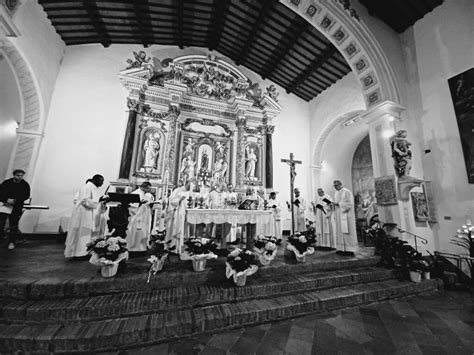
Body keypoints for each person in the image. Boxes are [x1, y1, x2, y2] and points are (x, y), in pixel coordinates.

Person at [64, 174, 107, 258]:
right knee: (82, 233)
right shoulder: (87, 187)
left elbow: (95, 201)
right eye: (101, 181)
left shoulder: (93, 188)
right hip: (84, 214)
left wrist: (102, 202)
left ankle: (86, 252)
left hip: (89, 213)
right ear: (95, 180)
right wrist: (99, 201)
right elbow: (84, 200)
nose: (102, 183)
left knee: (88, 233)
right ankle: (79, 253)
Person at [0, 169, 31, 250]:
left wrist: (15, 201)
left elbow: (26, 195)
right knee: (1, 224)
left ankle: (12, 242)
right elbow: (0, 193)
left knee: (13, 225)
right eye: (18, 175)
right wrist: (6, 199)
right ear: (14, 175)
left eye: (21, 176)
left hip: (16, 207)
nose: (20, 177)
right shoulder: (6, 182)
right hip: (4, 206)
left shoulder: (25, 185)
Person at [165, 180, 193, 253]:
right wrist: (180, 200)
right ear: (186, 183)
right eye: (190, 185)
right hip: (177, 213)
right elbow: (171, 200)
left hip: (187, 213)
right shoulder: (178, 190)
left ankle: (184, 247)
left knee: (185, 230)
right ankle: (174, 246)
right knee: (176, 229)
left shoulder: (191, 191)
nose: (191, 186)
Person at [332, 180, 359, 255]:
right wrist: (334, 204)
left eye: (336, 185)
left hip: (346, 215)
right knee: (340, 232)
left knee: (348, 232)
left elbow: (350, 204)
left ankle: (349, 249)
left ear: (341, 184)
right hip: (338, 215)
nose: (335, 187)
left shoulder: (347, 192)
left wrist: (339, 204)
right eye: (334, 186)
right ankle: (341, 248)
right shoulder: (336, 193)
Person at [127, 181, 154, 252]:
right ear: (143, 187)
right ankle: (133, 248)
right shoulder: (136, 193)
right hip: (136, 216)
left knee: (143, 231)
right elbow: (131, 205)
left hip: (144, 216)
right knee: (136, 231)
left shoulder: (147, 194)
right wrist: (140, 203)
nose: (149, 190)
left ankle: (142, 247)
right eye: (148, 189)